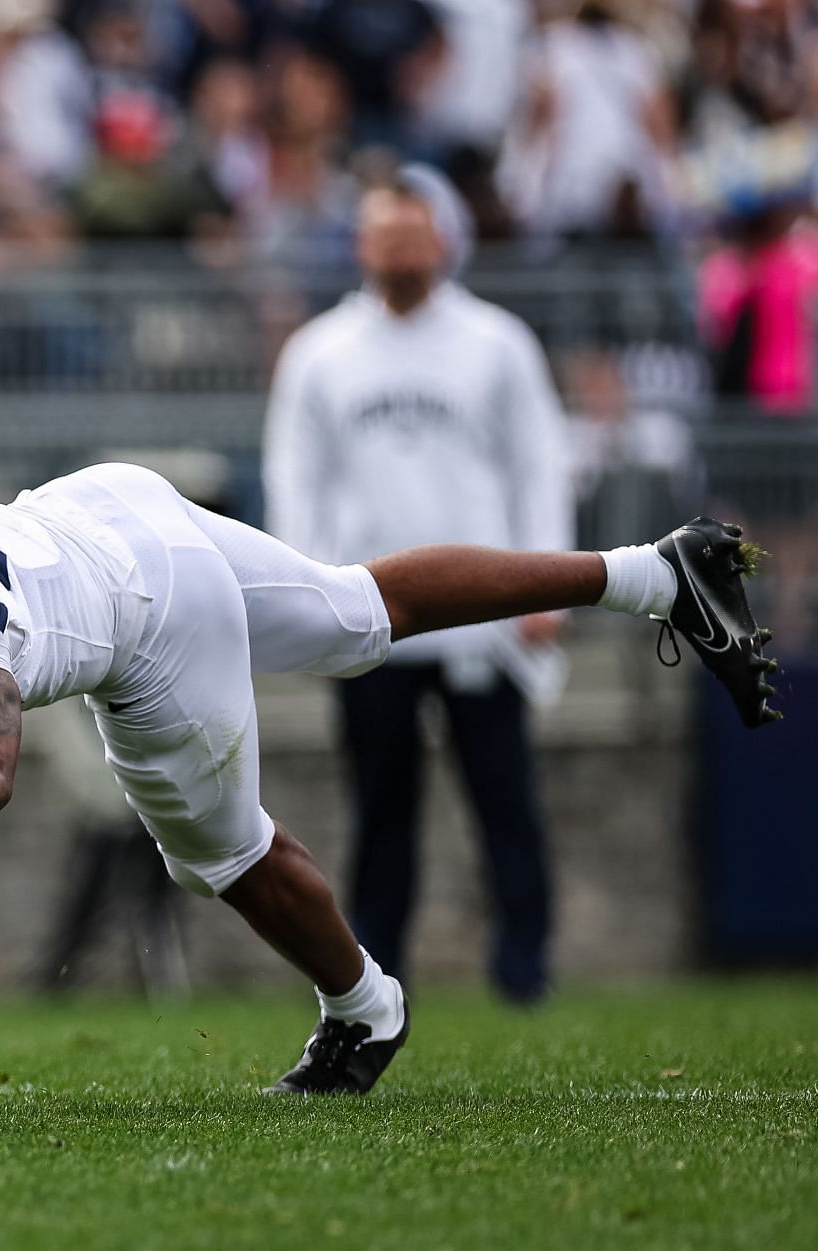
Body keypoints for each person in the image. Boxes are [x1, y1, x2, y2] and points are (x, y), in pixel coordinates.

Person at [0, 433, 778, 1112]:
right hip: (101, 508)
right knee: (362, 609)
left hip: (149, 611)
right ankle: (653, 573)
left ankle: (368, 1010)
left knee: (215, 850)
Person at [263, 171, 571, 1003]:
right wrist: (307, 594)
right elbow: (297, 480)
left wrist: (546, 581)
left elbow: (539, 462)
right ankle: (374, 975)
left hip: (484, 622)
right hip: (373, 622)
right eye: (386, 237)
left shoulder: (497, 343)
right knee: (381, 813)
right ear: (363, 246)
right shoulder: (320, 353)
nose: (402, 253)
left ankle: (523, 964)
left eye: (414, 237)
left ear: (441, 242)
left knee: (503, 800)